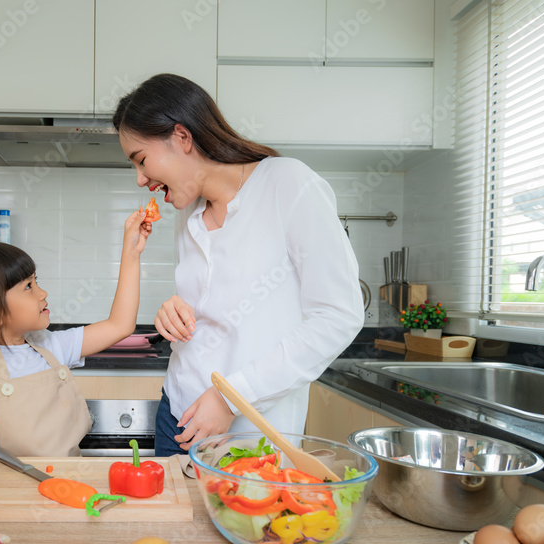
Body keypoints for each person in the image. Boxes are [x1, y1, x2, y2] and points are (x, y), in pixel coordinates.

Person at [112, 73, 365, 457]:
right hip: (178, 413)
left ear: (182, 137)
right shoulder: (189, 212)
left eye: (142, 160)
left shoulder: (289, 185)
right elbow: (215, 308)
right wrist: (173, 310)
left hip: (253, 434)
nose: (140, 179)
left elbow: (338, 316)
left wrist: (233, 398)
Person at [0, 212, 151, 483]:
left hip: (69, 488)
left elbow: (120, 325)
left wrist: (132, 252)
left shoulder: (50, 346)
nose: (42, 293)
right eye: (28, 286)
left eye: (36, 281)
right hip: (4, 498)